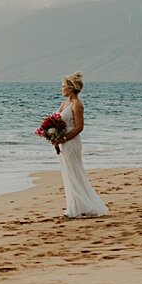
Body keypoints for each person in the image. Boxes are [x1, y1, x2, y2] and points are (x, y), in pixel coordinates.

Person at [55, 72, 108, 218]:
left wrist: (63, 139)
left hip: (71, 143)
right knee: (68, 173)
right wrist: (53, 137)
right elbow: (57, 122)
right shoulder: (64, 104)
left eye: (63, 86)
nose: (61, 89)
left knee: (74, 173)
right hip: (63, 143)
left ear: (70, 89)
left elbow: (79, 127)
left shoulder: (77, 105)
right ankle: (76, 206)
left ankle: (76, 209)